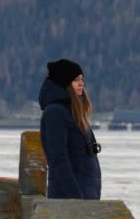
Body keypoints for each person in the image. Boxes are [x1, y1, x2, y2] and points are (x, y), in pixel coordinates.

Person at [38, 59, 102, 200]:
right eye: (75, 80)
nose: (81, 83)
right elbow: (58, 159)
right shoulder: (55, 113)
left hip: (85, 196)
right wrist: (76, 198)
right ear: (64, 83)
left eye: (81, 79)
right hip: (69, 200)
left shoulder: (74, 111)